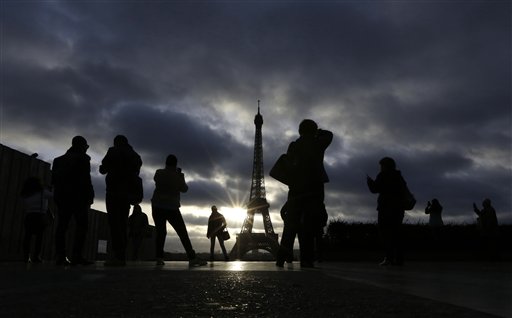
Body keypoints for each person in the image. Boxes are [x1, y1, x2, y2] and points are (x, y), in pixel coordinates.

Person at [276, 119, 333, 268]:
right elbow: (329, 135)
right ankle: (306, 259)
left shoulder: (294, 146)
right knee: (309, 225)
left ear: (300, 131)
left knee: (290, 225)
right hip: (314, 189)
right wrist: (317, 133)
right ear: (313, 130)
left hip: (296, 189)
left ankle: (281, 258)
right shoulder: (317, 143)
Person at [151, 154, 206, 267]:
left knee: (161, 232)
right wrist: (180, 175)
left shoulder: (158, 172)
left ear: (166, 163)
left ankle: (159, 258)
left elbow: (157, 180)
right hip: (172, 208)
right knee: (182, 232)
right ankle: (191, 257)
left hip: (157, 206)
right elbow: (184, 189)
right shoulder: (177, 176)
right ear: (176, 164)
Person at [100, 135, 143, 266]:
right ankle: (121, 255)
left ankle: (117, 255)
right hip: (127, 194)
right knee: (123, 223)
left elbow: (103, 169)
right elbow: (136, 173)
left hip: (113, 192)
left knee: (114, 224)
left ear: (116, 142)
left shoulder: (113, 151)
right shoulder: (136, 156)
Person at [52, 136, 95, 266]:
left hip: (62, 197)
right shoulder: (83, 159)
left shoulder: (58, 160)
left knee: (62, 226)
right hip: (79, 197)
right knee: (81, 226)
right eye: (86, 147)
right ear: (82, 146)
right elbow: (85, 180)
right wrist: (90, 196)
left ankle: (61, 255)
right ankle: (77, 255)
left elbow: (54, 180)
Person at [366, 157, 409, 266]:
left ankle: (389, 258)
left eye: (381, 166)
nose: (380, 168)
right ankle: (399, 259)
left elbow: (375, 189)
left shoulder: (383, 175)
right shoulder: (399, 177)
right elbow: (404, 191)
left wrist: (369, 182)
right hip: (398, 209)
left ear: (384, 166)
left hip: (385, 208)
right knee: (396, 234)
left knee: (385, 234)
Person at [20, 176, 53, 263]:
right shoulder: (43, 192)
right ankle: (36, 256)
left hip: (29, 216)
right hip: (40, 216)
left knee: (27, 237)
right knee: (39, 237)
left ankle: (26, 256)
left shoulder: (25, 194)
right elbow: (53, 196)